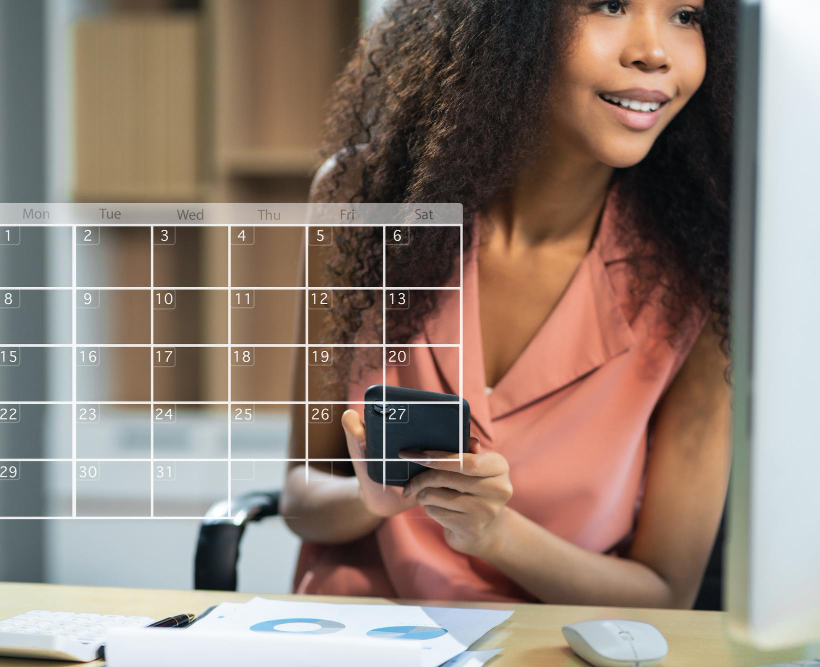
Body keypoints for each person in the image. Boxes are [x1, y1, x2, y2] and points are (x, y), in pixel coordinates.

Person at [280, 0, 735, 609]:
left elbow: (664, 593)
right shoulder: (361, 201)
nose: (653, 51)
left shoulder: (705, 267)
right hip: (361, 633)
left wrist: (495, 533)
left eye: (686, 16)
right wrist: (373, 498)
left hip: (551, 645)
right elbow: (300, 498)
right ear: (510, 23)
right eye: (609, 4)